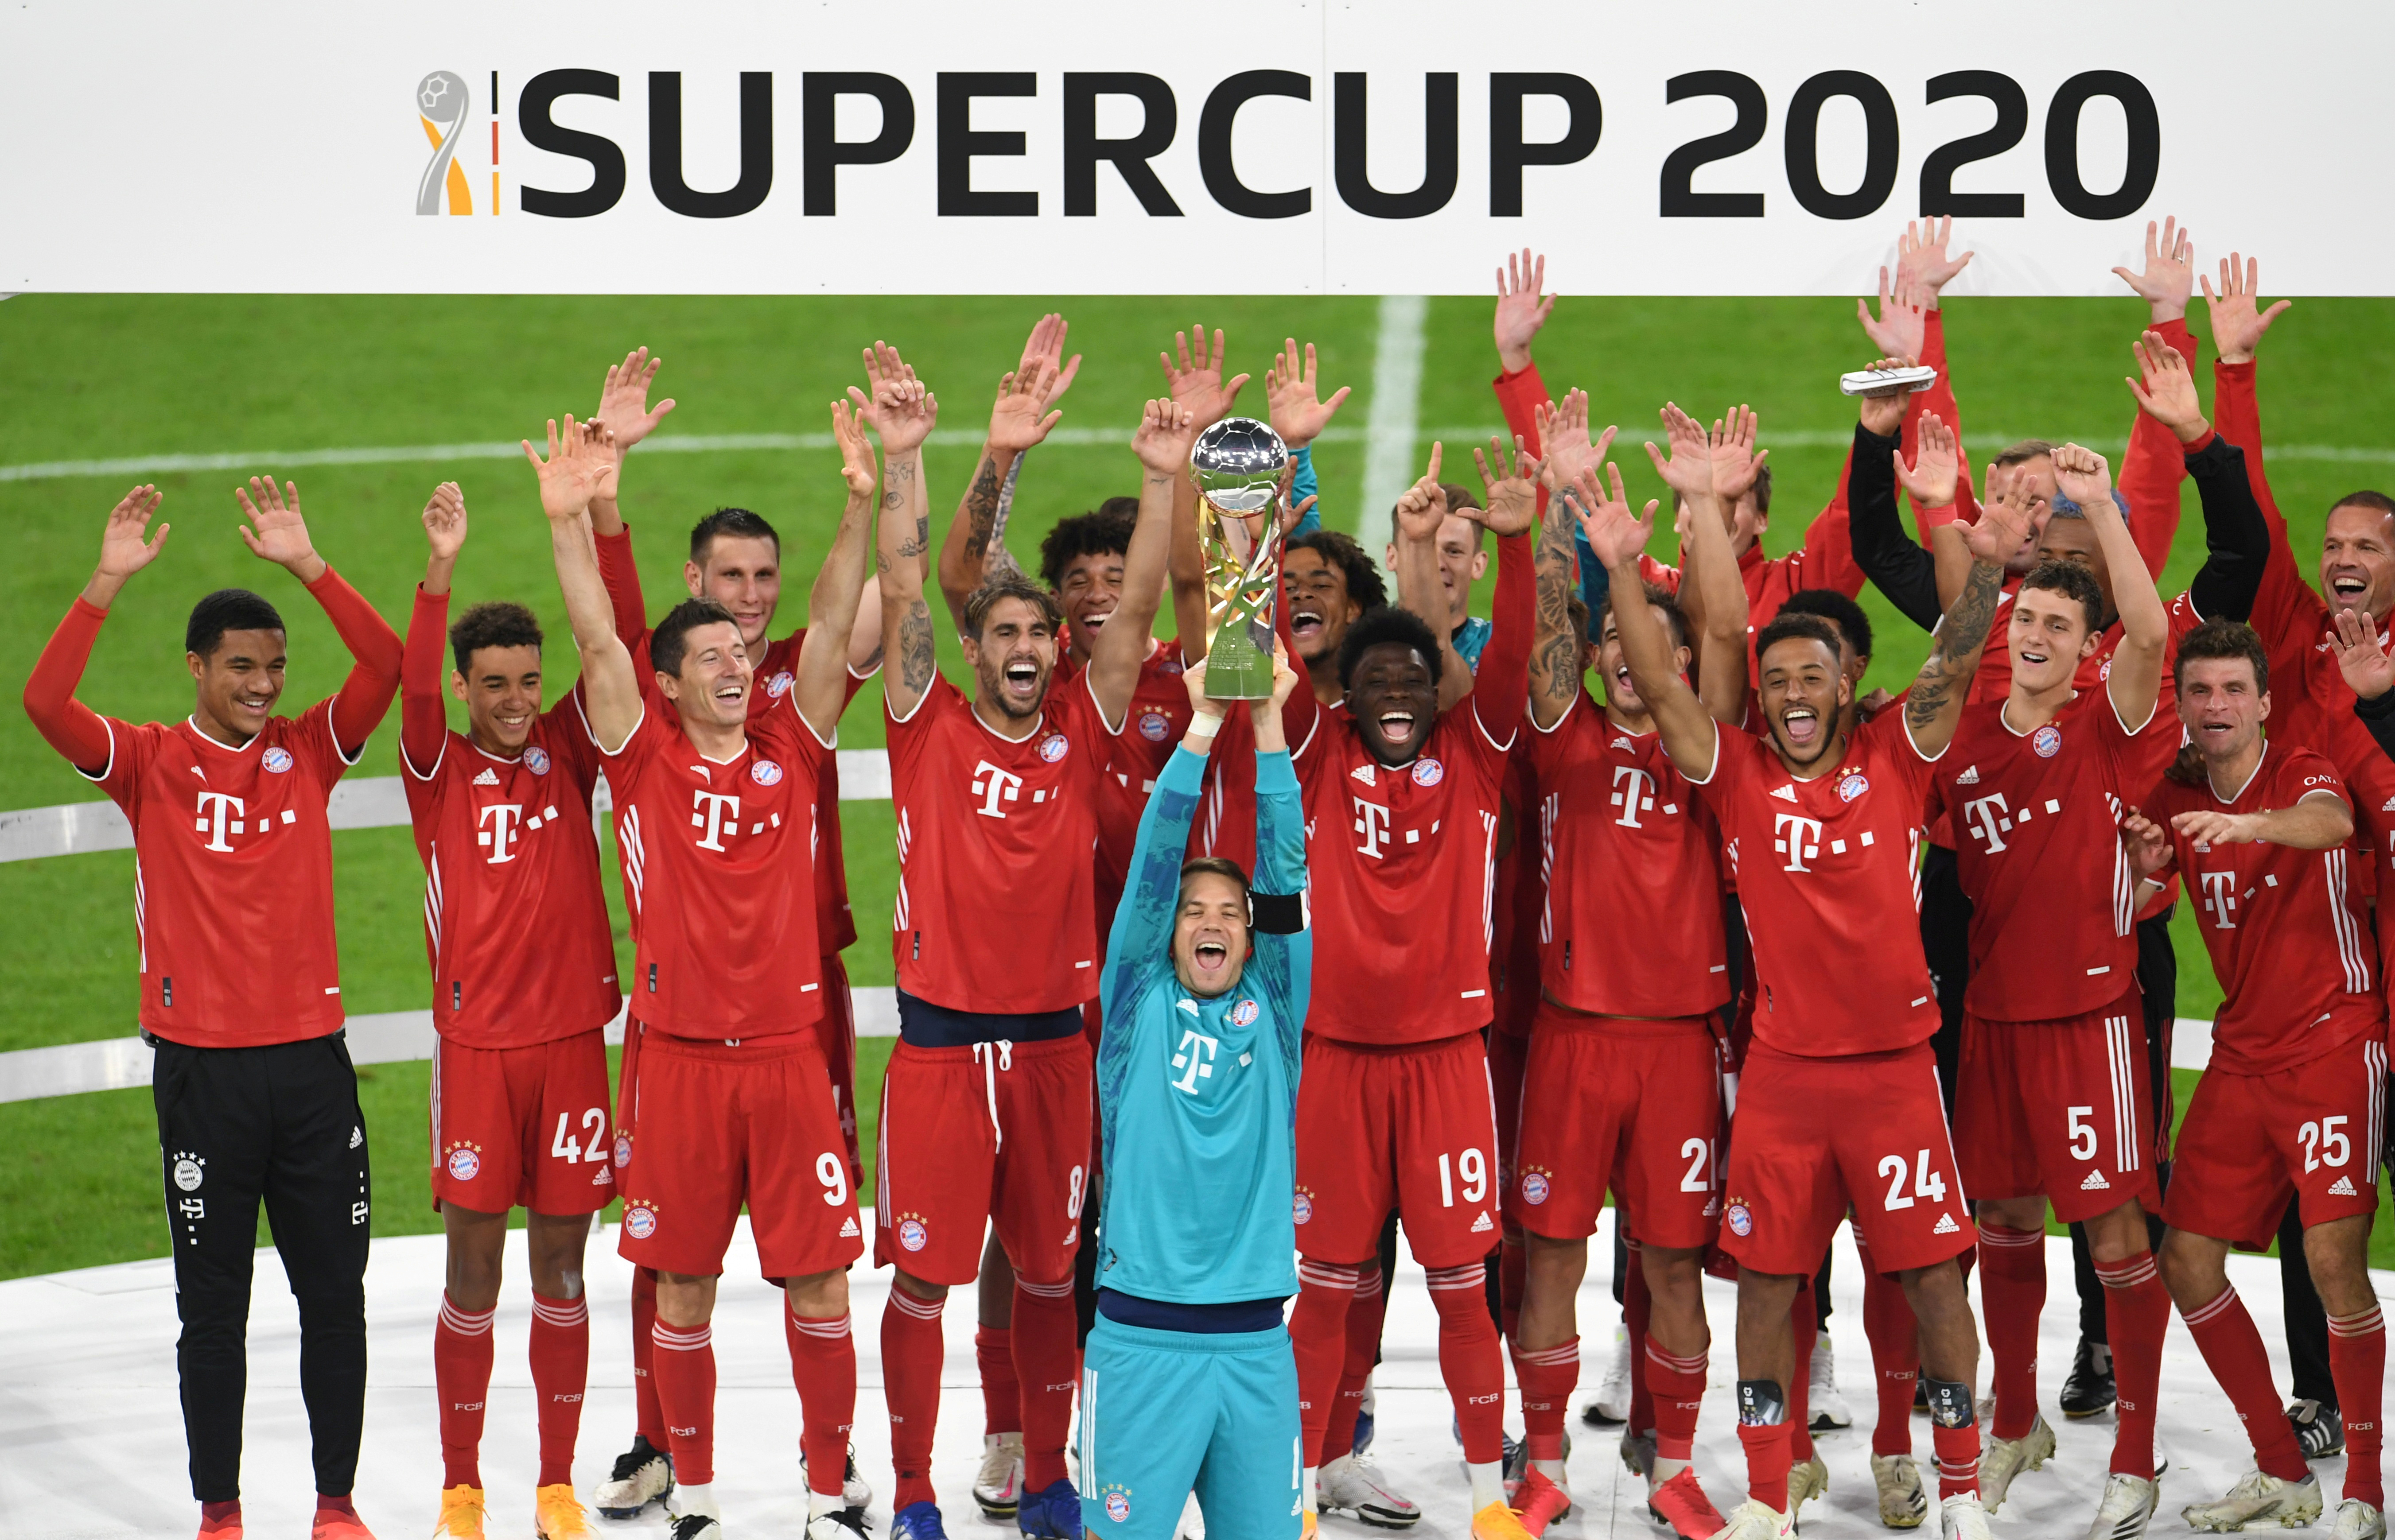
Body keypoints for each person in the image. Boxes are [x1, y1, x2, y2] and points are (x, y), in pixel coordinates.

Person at [1584, 380, 2036, 1538]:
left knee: (1935, 1280)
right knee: (1771, 1289)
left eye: (1808, 678)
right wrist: (1632, 565)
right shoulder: (1731, 775)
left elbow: (1959, 651)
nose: (1787, 693)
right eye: (1775, 681)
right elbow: (1686, 659)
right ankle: (1771, 1491)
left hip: (1894, 1071)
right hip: (1784, 1075)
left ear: (1841, 684)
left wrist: (1976, 555)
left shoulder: (1898, 756)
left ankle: (1954, 1492)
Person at [23, 477, 404, 1540]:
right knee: (213, 1313)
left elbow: (390, 667)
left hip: (314, 1073)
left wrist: (310, 565)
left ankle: (336, 1504)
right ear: (197, 667)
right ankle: (221, 1511)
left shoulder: (313, 750)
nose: (263, 684)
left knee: (336, 1297)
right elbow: (47, 707)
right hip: (203, 1074)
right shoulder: (148, 760)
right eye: (242, 665)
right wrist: (104, 582)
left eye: (275, 667)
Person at [532, 401, 879, 1540]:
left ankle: (831, 1491)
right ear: (668, 685)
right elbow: (593, 642)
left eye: (742, 650)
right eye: (715, 655)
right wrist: (571, 524)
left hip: (785, 1060)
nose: (740, 659)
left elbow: (831, 623)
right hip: (676, 1065)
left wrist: (863, 502)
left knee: (822, 1286)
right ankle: (697, 1492)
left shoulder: (792, 743)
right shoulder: (643, 762)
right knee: (679, 1289)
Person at [871, 373, 1189, 1540]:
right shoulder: (923, 724)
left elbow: (1144, 599)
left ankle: (1049, 1474)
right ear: (969, 647)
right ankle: (912, 1485)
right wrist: (929, 453)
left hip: (1055, 1049)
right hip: (943, 1054)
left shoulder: (1079, 727)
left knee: (1053, 1274)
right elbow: (906, 577)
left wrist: (1161, 474)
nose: (1018, 644)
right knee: (922, 1280)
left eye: (1033, 631)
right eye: (997, 630)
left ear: (1058, 644)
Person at [1906, 436, 2183, 1535]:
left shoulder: (2106, 732)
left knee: (2118, 1239)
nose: (2034, 637)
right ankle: (2015, 1418)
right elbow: (1942, 660)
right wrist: (1976, 558)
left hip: (2092, 1020)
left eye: (2058, 627)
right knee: (2005, 1224)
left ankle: (2138, 1452)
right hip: (1992, 1019)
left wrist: (2104, 503)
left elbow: (2154, 629)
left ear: (2085, 651)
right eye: (2026, 622)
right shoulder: (1963, 733)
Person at [1275, 434, 1536, 1540]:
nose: (1393, 693)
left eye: (1412, 679)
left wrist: (1503, 545)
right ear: (1349, 696)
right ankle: (1288, 1495)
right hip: (1335, 1060)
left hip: (1445, 1064)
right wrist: (1269, 504)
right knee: (1328, 1289)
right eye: (1374, 680)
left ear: (1437, 689)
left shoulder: (1478, 751)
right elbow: (1279, 649)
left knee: (1460, 1287)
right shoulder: (1314, 750)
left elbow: (1512, 653)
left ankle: (1487, 1501)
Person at [1506, 401, 1749, 1539]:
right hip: (1573, 1037)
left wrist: (1703, 506)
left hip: (1677, 1045)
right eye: (1612, 640)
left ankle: (1674, 1467)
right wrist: (1563, 503)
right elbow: (1554, 625)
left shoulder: (1712, 745)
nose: (1622, 654)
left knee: (1674, 1269)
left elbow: (1728, 635)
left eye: (1643, 642)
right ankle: (1543, 1459)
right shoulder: (1563, 735)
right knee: (1551, 1256)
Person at [2122, 619, 2385, 1539]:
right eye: (2200, 692)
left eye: (2234, 689)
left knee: (2329, 1259)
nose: (2217, 706)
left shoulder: (2303, 767)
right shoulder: (2176, 790)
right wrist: (2148, 868)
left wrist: (2248, 822)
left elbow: (2336, 821)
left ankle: (2365, 1486)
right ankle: (2281, 1467)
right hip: (2244, 1051)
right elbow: (2144, 890)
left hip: (2332, 1041)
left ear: (2264, 700)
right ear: (2184, 706)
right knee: (2186, 1259)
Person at [398, 485, 620, 1540]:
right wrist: (439, 570)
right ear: (463, 686)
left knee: (565, 1268)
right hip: (479, 1050)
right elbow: (409, 687)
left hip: (575, 1042)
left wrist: (594, 518)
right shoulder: (436, 769)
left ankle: (555, 1483)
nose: (517, 699)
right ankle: (460, 1483)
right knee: (474, 1268)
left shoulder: (569, 752)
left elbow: (612, 639)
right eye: (494, 684)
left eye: (530, 682)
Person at [1081, 648, 1309, 1540]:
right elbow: (1151, 866)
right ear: (1167, 933)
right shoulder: (1136, 1003)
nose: (1212, 920)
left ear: (1252, 940)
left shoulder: (1278, 1008)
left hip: (1256, 1347)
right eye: (1192, 910)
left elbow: (1285, 872)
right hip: (1140, 1345)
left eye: (1229, 911)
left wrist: (1272, 721)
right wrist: (1205, 722)